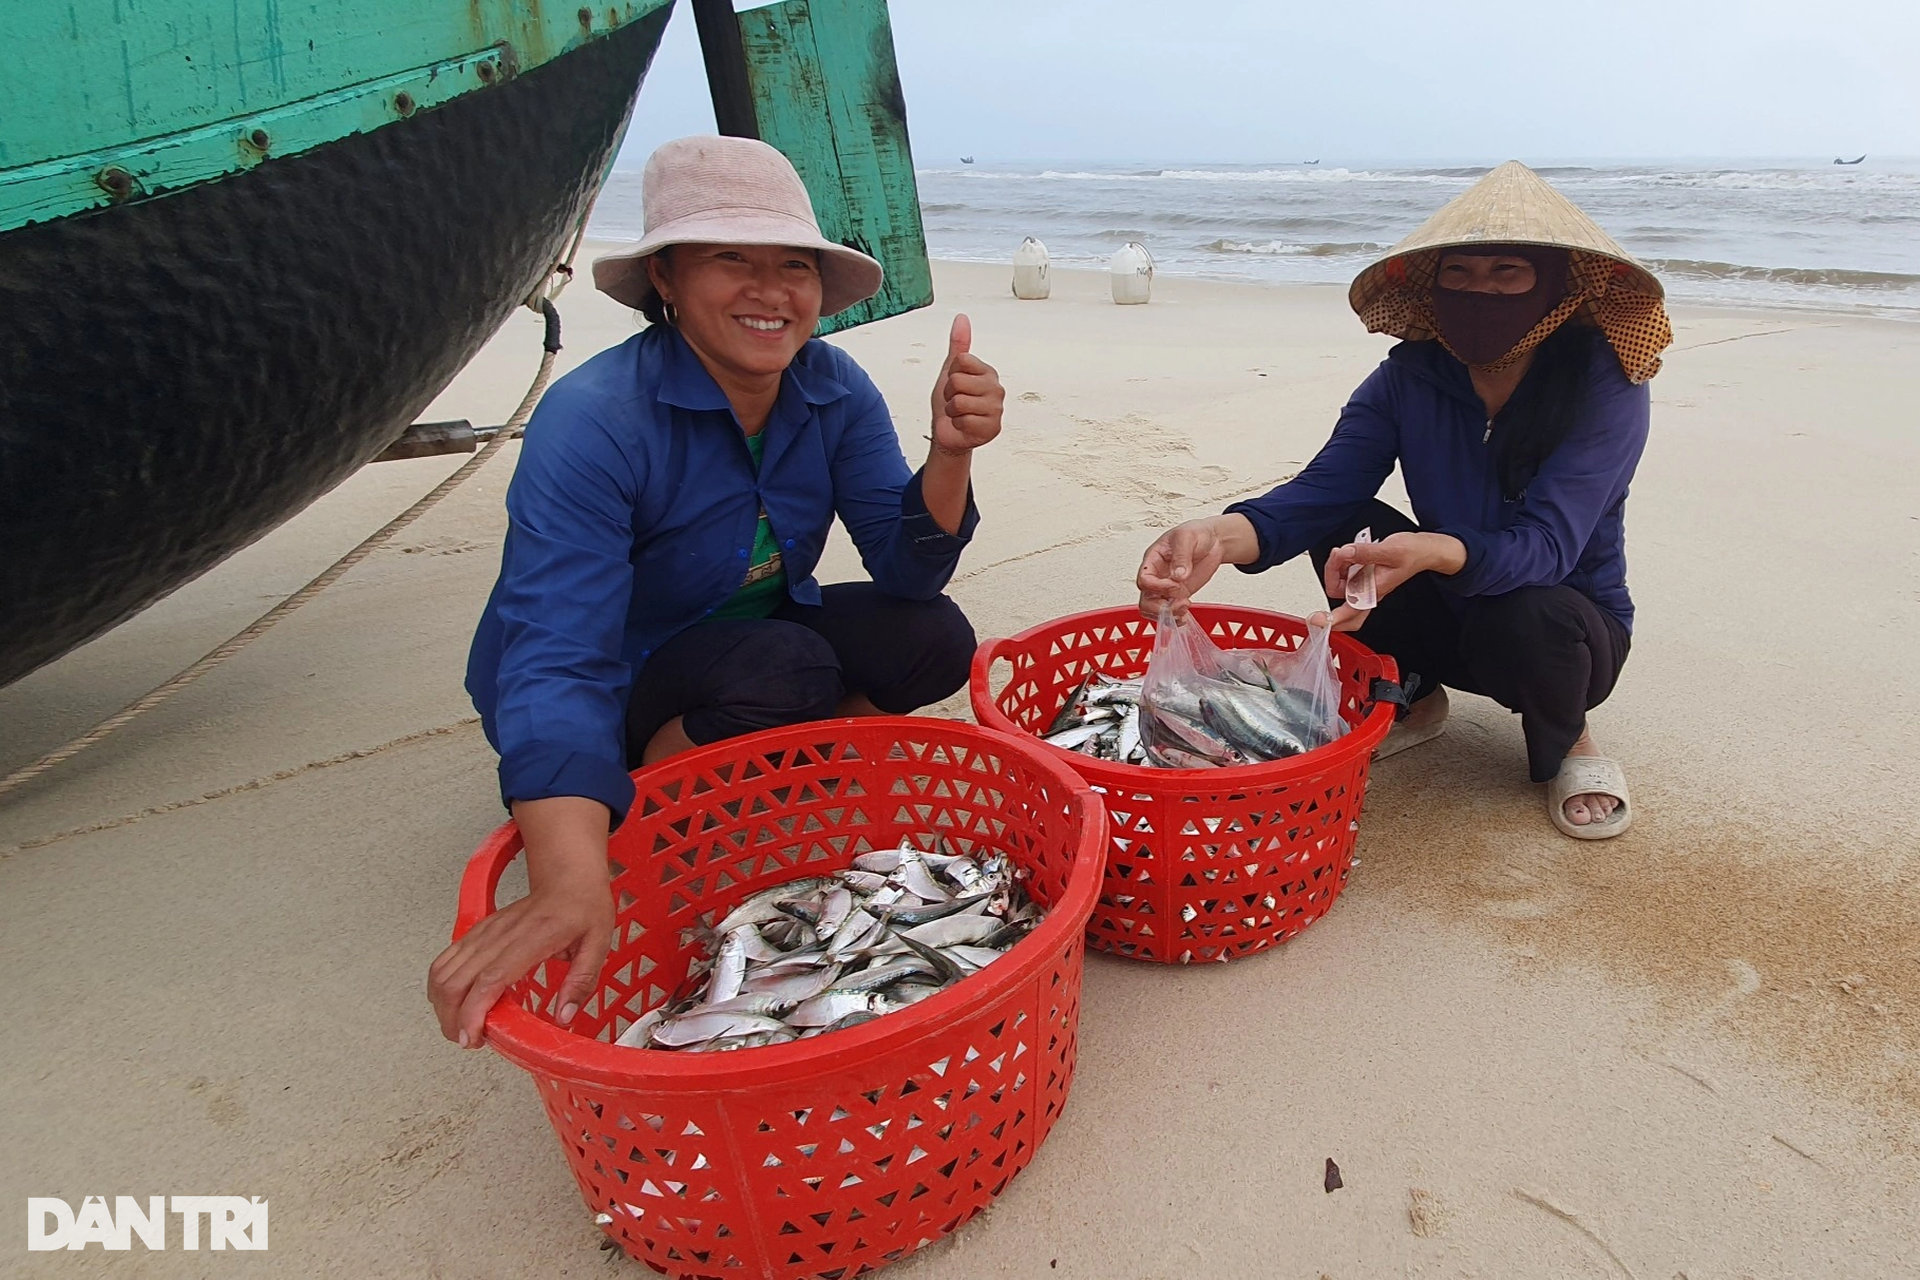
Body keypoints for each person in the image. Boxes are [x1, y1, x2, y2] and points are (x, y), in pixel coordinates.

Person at [430, 136, 1006, 1047]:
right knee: (788, 665)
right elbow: (554, 654)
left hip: (756, 642)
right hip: (621, 677)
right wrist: (570, 876)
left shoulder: (831, 387)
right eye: (730, 258)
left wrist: (951, 454)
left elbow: (907, 569)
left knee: (932, 636)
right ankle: (662, 795)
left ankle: (777, 760)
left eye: (793, 266)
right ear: (665, 276)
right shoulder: (593, 420)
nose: (770, 291)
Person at [1136, 162, 1672, 841]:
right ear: (1431, 285)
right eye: (1459, 274)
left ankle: (1569, 740)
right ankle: (1414, 693)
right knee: (1346, 521)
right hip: (1446, 605)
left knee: (1531, 611)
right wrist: (1216, 535)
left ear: (1558, 288)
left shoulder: (1606, 383)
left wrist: (1433, 550)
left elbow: (1550, 545)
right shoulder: (1407, 378)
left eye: (1508, 273)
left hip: (1564, 632)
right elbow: (1322, 490)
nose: (1480, 293)